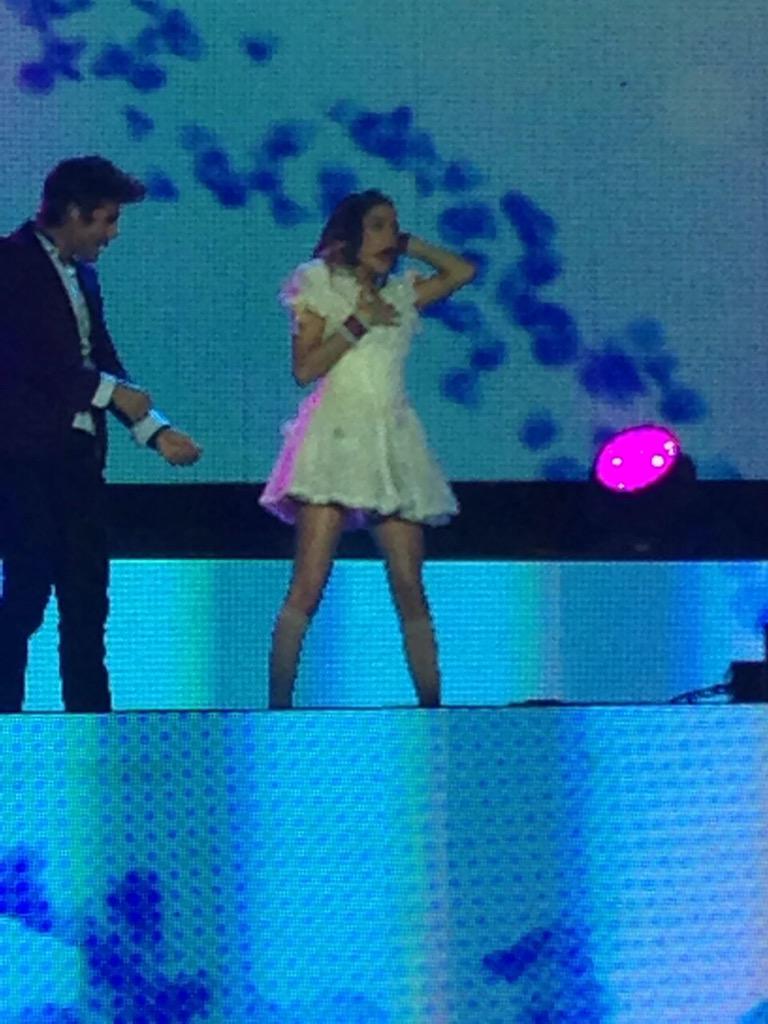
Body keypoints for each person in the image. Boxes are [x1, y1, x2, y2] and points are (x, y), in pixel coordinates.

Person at [0, 155, 202, 713]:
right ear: (74, 212)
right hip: (25, 459)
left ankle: (91, 729)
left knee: (88, 604)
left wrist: (155, 431)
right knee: (27, 593)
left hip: (80, 459)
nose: (112, 234)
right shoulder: (10, 263)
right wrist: (109, 391)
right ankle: (5, 725)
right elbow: (28, 360)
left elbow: (102, 358)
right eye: (107, 220)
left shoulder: (84, 276)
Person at [260, 189, 475, 709]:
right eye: (378, 226)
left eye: (394, 228)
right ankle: (277, 709)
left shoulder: (401, 294)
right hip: (335, 441)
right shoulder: (319, 282)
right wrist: (358, 321)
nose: (388, 238)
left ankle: (432, 711)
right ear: (351, 233)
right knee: (309, 583)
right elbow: (304, 369)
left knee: (409, 584)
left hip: (390, 444)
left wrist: (409, 243)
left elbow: (461, 271)